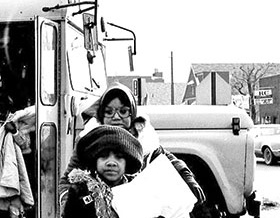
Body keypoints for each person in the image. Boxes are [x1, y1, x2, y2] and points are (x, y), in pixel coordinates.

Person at [60, 83, 205, 207]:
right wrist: (71, 206)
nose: (116, 117)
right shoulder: (88, 142)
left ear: (132, 114)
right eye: (109, 112)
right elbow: (67, 181)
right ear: (101, 115)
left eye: (123, 111)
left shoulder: (145, 140)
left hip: (136, 217)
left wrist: (187, 178)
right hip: (99, 217)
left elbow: (167, 160)